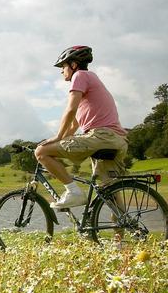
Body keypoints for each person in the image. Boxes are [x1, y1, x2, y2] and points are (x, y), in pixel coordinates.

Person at [34, 46, 128, 209]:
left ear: (74, 65)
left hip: (100, 136)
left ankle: (73, 192)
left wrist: (57, 137)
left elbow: (70, 110)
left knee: (41, 152)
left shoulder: (79, 76)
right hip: (117, 139)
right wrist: (64, 136)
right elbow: (76, 122)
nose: (62, 71)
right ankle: (120, 233)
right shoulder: (91, 78)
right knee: (110, 188)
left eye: (63, 67)